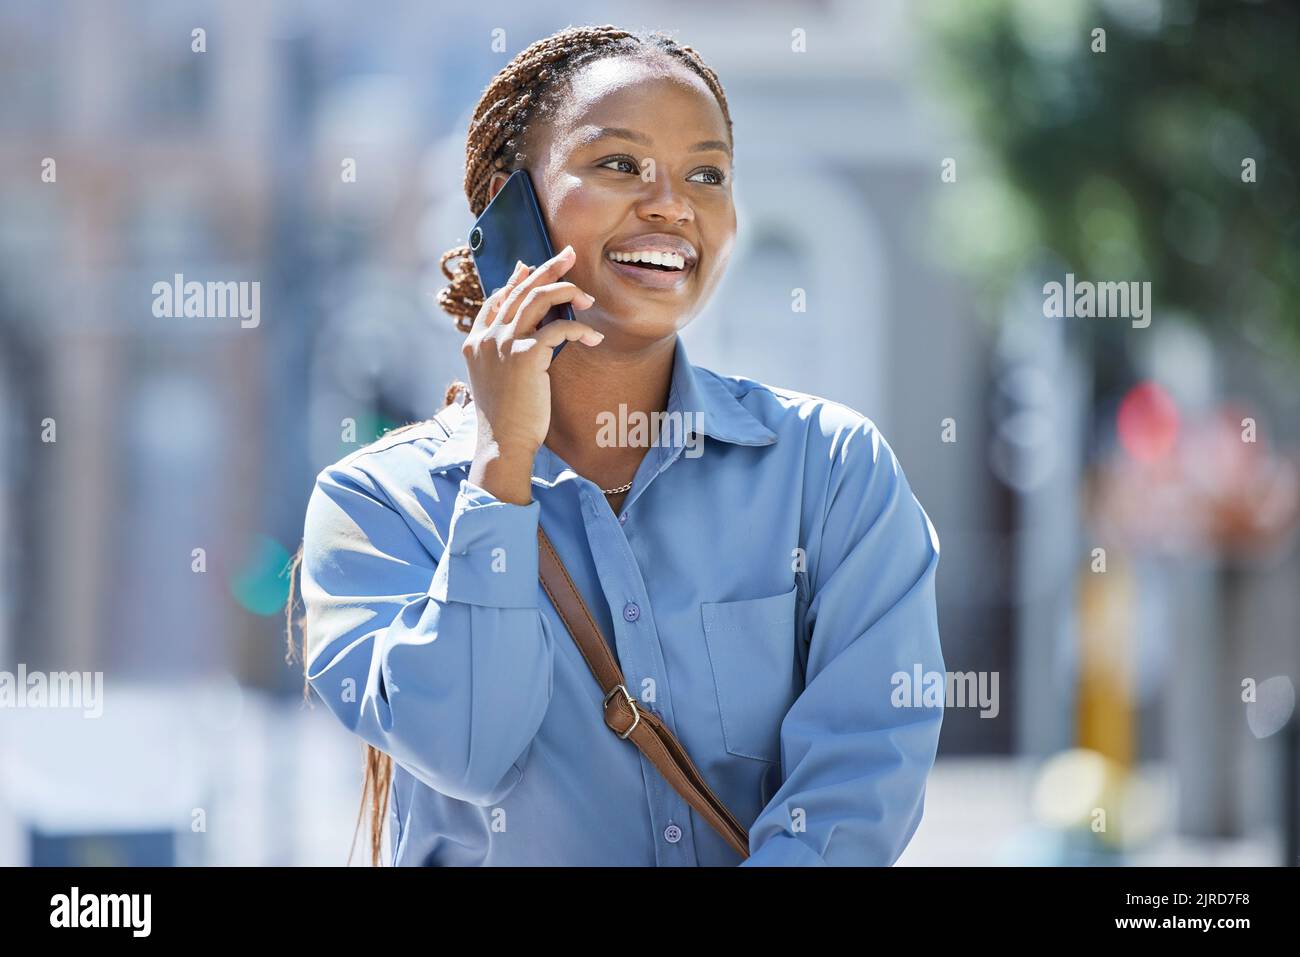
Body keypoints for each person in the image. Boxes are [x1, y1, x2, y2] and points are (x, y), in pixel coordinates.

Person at [288, 24, 945, 866]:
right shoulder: (375, 505)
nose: (671, 203)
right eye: (619, 164)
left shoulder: (833, 472)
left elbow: (863, 774)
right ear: (508, 202)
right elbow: (468, 747)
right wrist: (499, 474)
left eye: (705, 174)